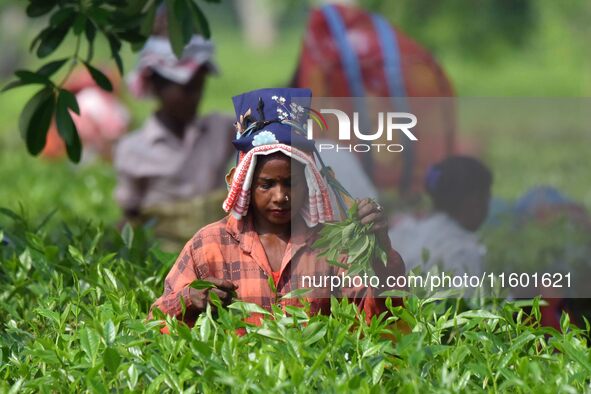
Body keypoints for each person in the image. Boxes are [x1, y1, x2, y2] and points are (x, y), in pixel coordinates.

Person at [150, 88, 406, 327]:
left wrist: (380, 248)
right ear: (247, 184)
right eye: (267, 185)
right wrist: (186, 300)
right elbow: (155, 323)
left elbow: (379, 321)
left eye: (290, 183)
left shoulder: (331, 245)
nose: (280, 196)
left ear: (308, 183)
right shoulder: (209, 245)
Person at [114, 34, 235, 249]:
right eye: (185, 89)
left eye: (199, 87)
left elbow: (271, 109)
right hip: (163, 255)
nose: (194, 97)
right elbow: (130, 212)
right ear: (156, 86)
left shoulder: (220, 128)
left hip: (219, 248)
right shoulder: (133, 149)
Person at [389, 156, 492, 277]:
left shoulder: (402, 230)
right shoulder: (463, 250)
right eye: (487, 197)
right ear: (474, 201)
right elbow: (468, 295)